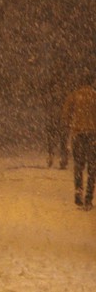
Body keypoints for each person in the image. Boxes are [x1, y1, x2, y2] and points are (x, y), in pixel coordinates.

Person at [62, 82, 96, 211]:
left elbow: (65, 116)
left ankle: (78, 191)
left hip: (78, 133)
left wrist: (72, 124)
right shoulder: (95, 96)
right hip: (93, 134)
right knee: (92, 167)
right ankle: (89, 197)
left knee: (78, 164)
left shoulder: (74, 96)